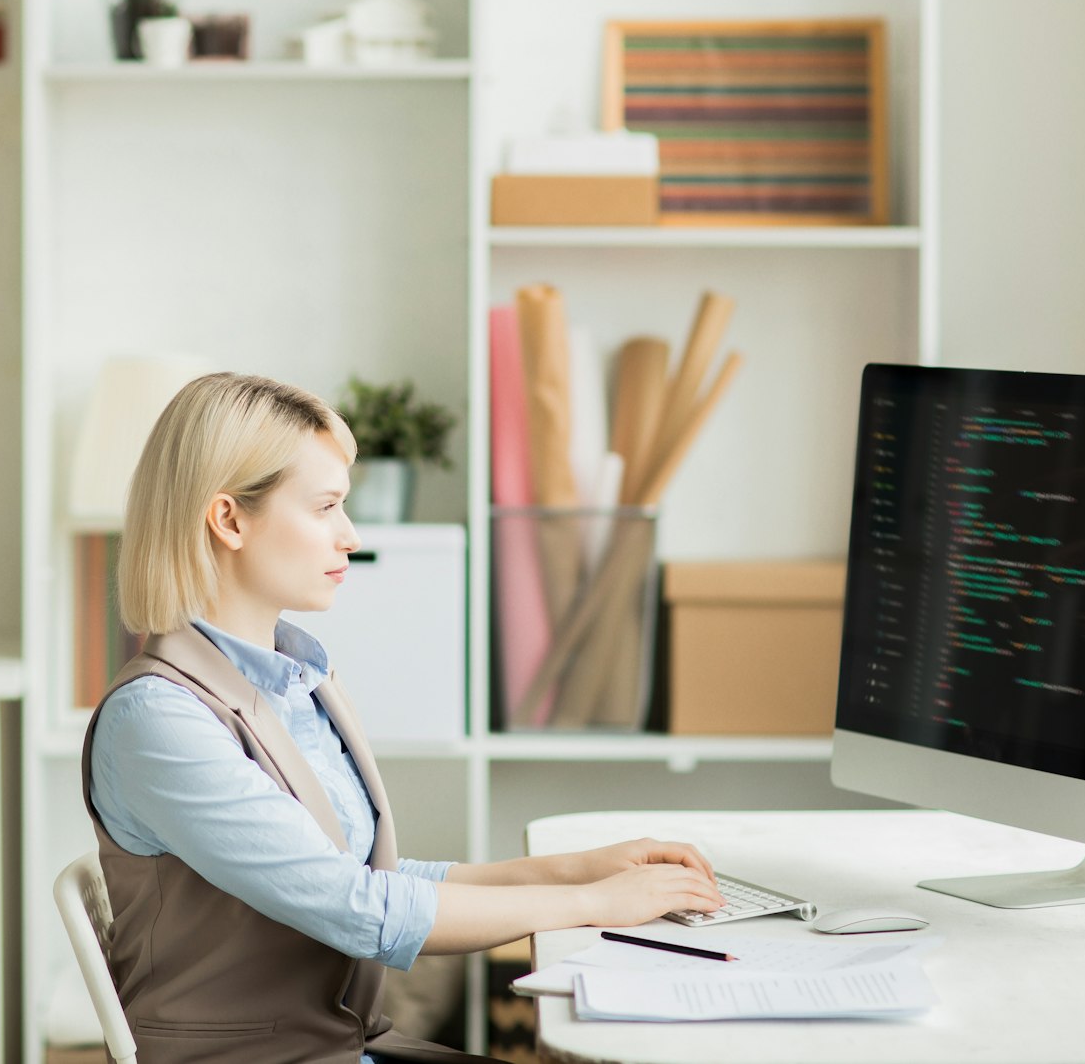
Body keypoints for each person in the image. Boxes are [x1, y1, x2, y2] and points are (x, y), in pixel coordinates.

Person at [86, 372, 725, 1063]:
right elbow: (360, 907)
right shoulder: (158, 719)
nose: (349, 534)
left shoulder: (300, 679)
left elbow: (376, 876)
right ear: (230, 519)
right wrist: (597, 902)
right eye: (326, 506)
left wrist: (578, 871)